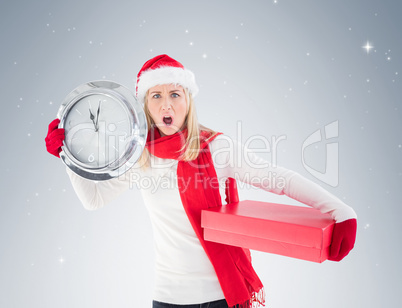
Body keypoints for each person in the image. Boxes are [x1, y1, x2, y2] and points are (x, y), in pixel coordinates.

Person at [45, 54, 357, 308]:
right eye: (156, 95)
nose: (166, 104)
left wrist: (341, 211)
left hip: (221, 296)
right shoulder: (138, 157)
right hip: (166, 297)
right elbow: (93, 199)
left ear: (188, 101)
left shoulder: (217, 147)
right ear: (145, 106)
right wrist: (68, 153)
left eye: (174, 94)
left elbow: (280, 179)